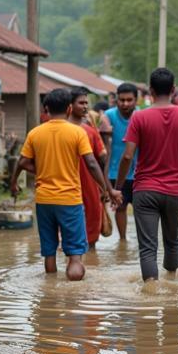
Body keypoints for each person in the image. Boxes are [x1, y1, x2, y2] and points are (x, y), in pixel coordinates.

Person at [10, 88, 118, 281]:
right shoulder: (77, 132)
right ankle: (73, 297)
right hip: (70, 199)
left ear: (46, 109)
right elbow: (92, 163)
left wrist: (15, 182)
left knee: (49, 252)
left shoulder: (35, 133)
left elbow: (23, 162)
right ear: (69, 108)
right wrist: (104, 188)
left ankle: (50, 293)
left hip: (43, 200)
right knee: (75, 255)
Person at [114, 68, 178, 282]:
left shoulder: (139, 117)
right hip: (174, 190)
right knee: (172, 241)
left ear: (150, 91)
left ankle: (151, 292)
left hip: (145, 190)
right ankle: (172, 282)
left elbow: (127, 156)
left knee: (147, 248)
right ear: (173, 89)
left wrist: (118, 186)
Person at [69, 87, 110, 250]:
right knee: (90, 234)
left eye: (87, 103)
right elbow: (102, 158)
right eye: (81, 103)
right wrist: (105, 188)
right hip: (78, 185)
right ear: (70, 105)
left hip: (87, 185)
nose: (85, 106)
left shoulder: (91, 130)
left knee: (81, 232)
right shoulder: (88, 131)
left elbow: (101, 159)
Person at [104, 82, 139, 240]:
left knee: (142, 210)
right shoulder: (108, 116)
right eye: (122, 100)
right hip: (115, 172)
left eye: (129, 100)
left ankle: (142, 242)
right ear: (116, 100)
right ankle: (123, 240)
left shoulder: (141, 116)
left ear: (136, 100)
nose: (125, 104)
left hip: (139, 172)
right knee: (121, 208)